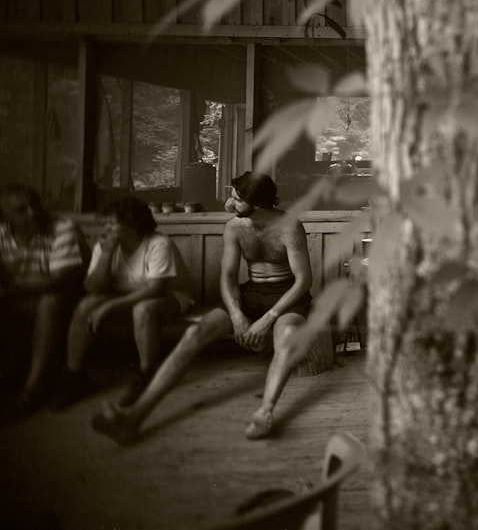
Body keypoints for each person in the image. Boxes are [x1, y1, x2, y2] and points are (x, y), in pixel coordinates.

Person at [92, 172, 313, 444]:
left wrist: (268, 318)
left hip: (287, 295)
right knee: (194, 335)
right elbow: (229, 277)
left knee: (287, 337)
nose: (229, 204)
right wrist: (237, 316)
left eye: (236, 199)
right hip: (251, 292)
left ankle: (264, 412)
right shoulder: (234, 227)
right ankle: (134, 416)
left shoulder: (290, 226)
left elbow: (303, 282)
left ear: (258, 203)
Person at [55, 197, 195, 411]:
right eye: (106, 222)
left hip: (171, 296)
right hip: (124, 296)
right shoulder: (106, 246)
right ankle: (73, 375)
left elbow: (155, 289)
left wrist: (110, 306)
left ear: (132, 223)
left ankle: (146, 373)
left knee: (143, 309)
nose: (107, 228)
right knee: (86, 305)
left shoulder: (158, 243)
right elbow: (93, 288)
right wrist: (107, 254)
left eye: (113, 223)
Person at [0, 185, 87, 416]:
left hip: (68, 303)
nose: (33, 213)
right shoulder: (1, 232)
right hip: (21, 300)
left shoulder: (62, 228)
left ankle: (31, 391)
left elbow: (60, 280)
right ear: (5, 217)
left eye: (35, 204)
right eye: (21, 210)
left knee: (49, 302)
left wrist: (12, 286)